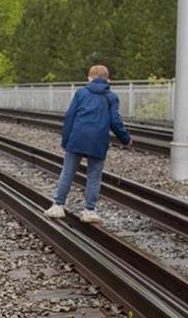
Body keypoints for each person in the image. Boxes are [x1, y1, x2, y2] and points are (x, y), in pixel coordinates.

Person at [44, 64, 131, 223]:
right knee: (94, 177)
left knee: (68, 172)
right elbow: (115, 121)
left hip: (77, 137)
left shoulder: (81, 93)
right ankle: (89, 210)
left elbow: (70, 116)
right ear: (107, 79)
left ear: (89, 78)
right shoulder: (111, 97)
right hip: (98, 141)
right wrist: (125, 139)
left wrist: (65, 141)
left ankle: (58, 205)